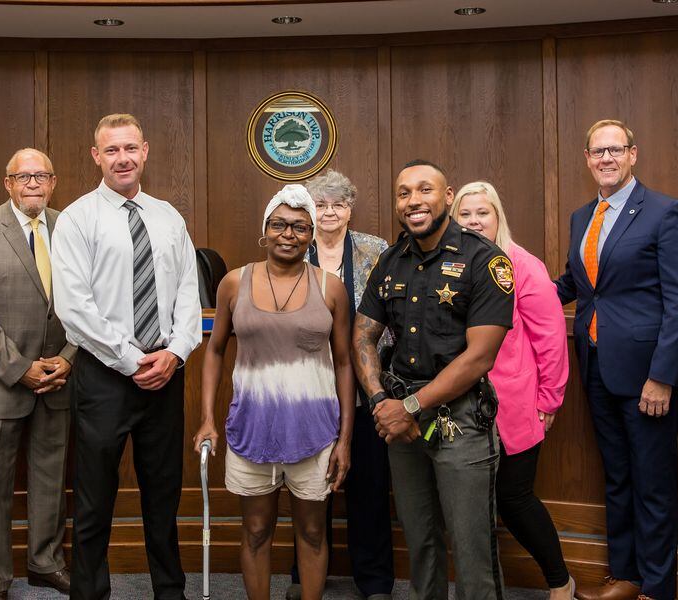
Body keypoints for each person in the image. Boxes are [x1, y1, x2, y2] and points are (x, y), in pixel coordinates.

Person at [51, 113, 202, 600]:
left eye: (130, 148)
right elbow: (74, 307)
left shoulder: (168, 217)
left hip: (165, 374)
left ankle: (169, 592)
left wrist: (176, 353)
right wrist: (130, 359)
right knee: (95, 501)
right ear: (96, 156)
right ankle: (91, 593)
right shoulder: (78, 218)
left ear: (146, 151)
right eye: (112, 150)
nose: (123, 158)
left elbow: (186, 292)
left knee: (164, 497)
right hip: (105, 377)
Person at [353, 159, 514, 600]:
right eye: (403, 193)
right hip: (402, 426)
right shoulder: (390, 260)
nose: (413, 201)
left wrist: (406, 408)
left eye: (424, 190)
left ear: (447, 197)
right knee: (420, 542)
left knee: (472, 547)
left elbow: (479, 357)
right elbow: (362, 336)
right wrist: (382, 402)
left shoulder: (485, 260)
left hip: (459, 421)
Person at [557, 120, 678, 600]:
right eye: (597, 151)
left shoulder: (665, 212)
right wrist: (507, 288)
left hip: (647, 377)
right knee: (617, 477)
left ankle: (657, 589)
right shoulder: (582, 217)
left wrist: (661, 377)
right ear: (587, 158)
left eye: (615, 150)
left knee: (653, 486)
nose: (606, 159)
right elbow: (575, 284)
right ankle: (625, 576)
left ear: (633, 155)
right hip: (596, 366)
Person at [194, 184, 354, 600]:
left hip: (316, 433)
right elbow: (214, 352)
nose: (289, 234)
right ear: (265, 229)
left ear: (311, 234)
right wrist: (208, 419)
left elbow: (344, 363)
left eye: (301, 227)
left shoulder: (331, 287)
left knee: (314, 533)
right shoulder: (233, 283)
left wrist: (345, 440)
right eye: (280, 224)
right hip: (252, 430)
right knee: (256, 530)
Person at [0, 148, 76, 600]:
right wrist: (21, 369)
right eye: (23, 176)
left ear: (53, 181)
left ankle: (45, 563)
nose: (32, 184)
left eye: (41, 175)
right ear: (7, 183)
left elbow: (90, 305)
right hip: (0, 384)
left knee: (50, 479)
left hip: (59, 379)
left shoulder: (71, 228)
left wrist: (69, 357)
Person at [451, 181, 574, 599]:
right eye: (464, 215)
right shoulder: (449, 265)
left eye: (482, 213)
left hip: (515, 405)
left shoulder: (521, 264)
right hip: (459, 406)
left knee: (514, 499)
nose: (473, 222)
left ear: (498, 216)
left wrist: (549, 398)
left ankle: (560, 580)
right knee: (469, 504)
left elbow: (551, 337)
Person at [283, 170, 393, 600]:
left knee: (369, 484)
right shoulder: (292, 245)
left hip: (364, 383)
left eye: (338, 204)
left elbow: (388, 314)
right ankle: (302, 576)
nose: (329, 212)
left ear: (350, 209)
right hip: (306, 384)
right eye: (321, 205)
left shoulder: (374, 250)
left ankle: (376, 580)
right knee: (309, 486)